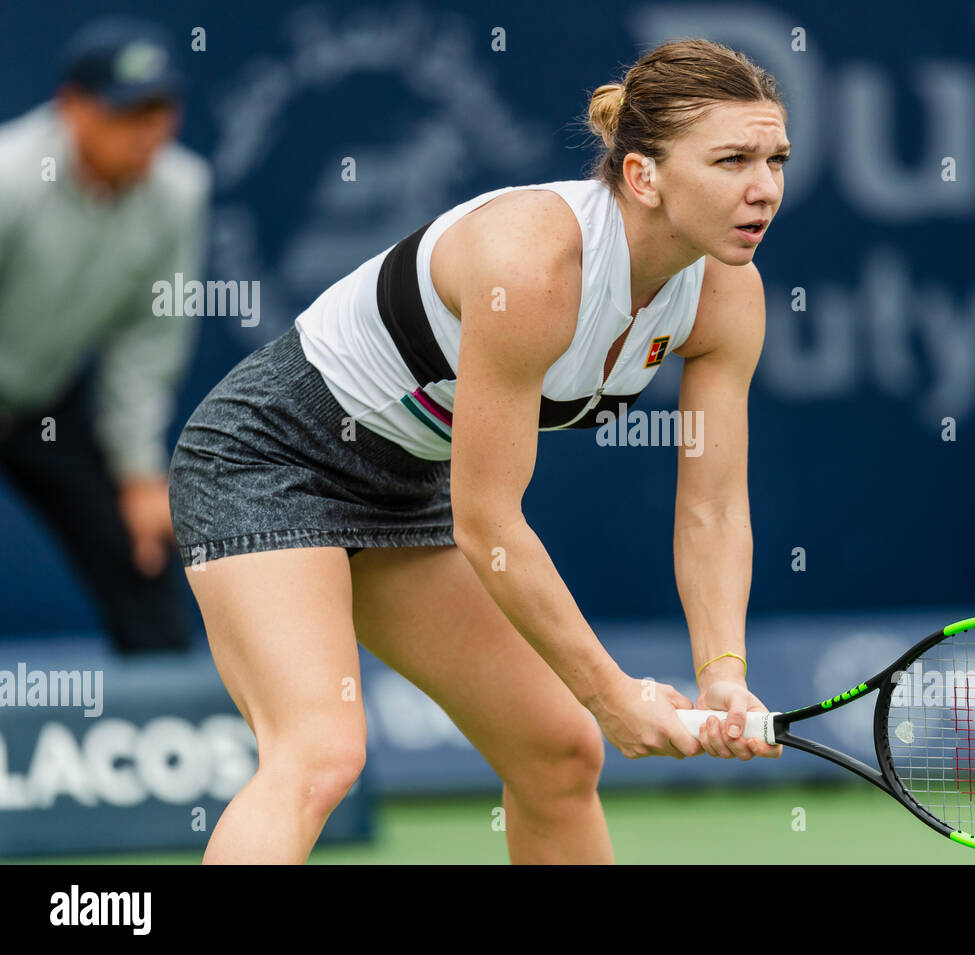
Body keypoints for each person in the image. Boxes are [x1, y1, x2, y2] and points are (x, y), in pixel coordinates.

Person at [168, 37, 789, 864]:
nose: (765, 188)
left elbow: (712, 506)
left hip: (407, 486)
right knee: (319, 754)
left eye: (776, 158)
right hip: (268, 460)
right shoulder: (531, 261)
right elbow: (489, 521)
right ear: (643, 175)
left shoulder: (726, 295)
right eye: (733, 159)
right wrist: (611, 693)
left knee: (559, 752)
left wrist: (723, 671)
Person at [0, 17, 210, 654]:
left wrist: (139, 473)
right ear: (72, 108)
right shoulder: (10, 178)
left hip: (47, 402)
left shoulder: (179, 190)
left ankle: (174, 722)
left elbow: (147, 346)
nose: (149, 132)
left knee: (137, 546)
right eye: (128, 112)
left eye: (160, 110)